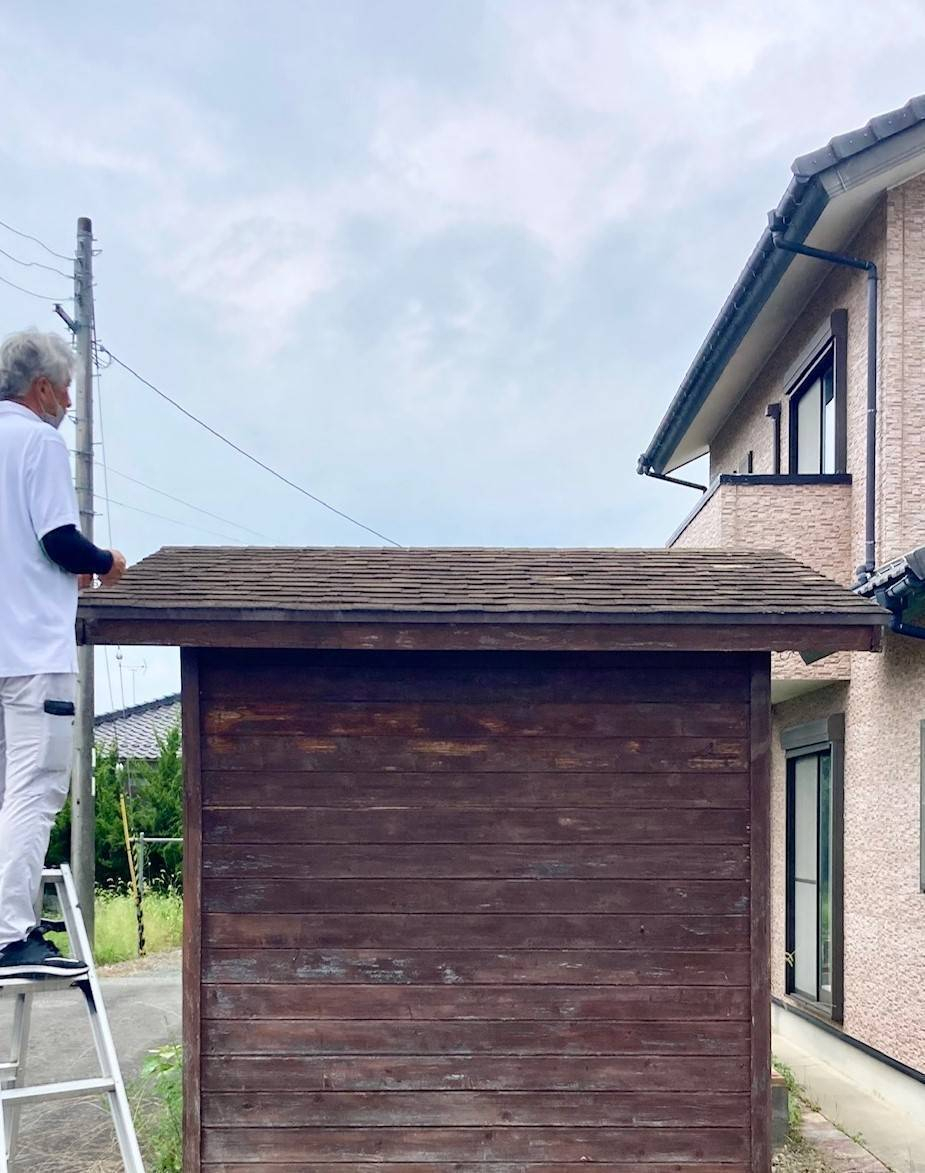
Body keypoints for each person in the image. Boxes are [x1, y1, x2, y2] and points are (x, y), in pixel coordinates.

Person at [0, 330, 126, 979]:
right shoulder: (36, 439)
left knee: (4, 793)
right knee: (34, 790)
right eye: (67, 387)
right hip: (30, 652)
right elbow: (58, 538)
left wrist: (56, 572)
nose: (71, 401)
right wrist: (104, 562)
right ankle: (11, 933)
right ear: (43, 386)